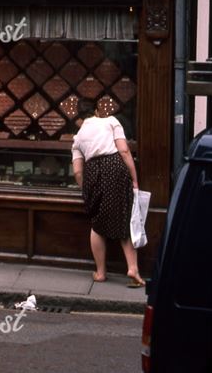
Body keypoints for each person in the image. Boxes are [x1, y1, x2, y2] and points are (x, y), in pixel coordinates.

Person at [71, 99, 145, 287]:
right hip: (115, 168)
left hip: (93, 172)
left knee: (97, 223)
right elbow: (124, 151)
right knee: (124, 216)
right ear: (97, 110)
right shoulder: (111, 121)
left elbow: (78, 171)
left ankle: (101, 272)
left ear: (79, 116)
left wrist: (84, 189)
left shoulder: (78, 138)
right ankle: (132, 268)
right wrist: (134, 179)